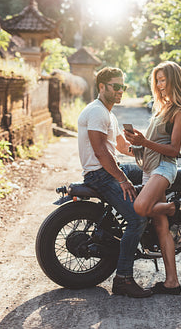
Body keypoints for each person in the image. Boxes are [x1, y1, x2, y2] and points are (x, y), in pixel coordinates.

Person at [77, 67, 151, 298]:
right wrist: (123, 179)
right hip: (100, 174)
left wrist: (149, 154)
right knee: (137, 218)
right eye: (116, 86)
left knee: (151, 173)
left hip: (106, 170)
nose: (121, 91)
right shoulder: (98, 112)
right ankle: (123, 279)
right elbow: (100, 151)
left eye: (123, 87)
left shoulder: (109, 113)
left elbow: (120, 146)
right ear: (102, 87)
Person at [124, 61, 181, 295]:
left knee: (141, 206)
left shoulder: (180, 111)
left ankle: (174, 208)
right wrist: (136, 144)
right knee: (160, 225)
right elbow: (153, 144)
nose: (159, 84)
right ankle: (172, 282)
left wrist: (144, 142)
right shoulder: (161, 108)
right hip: (150, 167)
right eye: (157, 80)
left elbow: (174, 150)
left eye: (163, 79)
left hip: (164, 168)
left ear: (174, 81)